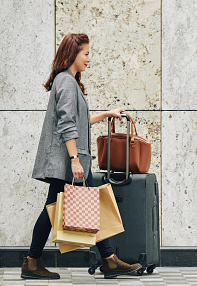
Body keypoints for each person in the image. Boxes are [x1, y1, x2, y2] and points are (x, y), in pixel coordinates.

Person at [21, 33, 141, 280]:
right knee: (51, 209)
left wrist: (107, 113)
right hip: (69, 162)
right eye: (86, 53)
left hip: (74, 160)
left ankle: (107, 260)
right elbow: (66, 123)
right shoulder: (65, 82)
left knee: (61, 207)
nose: (89, 59)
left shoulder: (69, 82)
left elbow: (79, 121)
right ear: (72, 54)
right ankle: (33, 262)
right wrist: (74, 159)